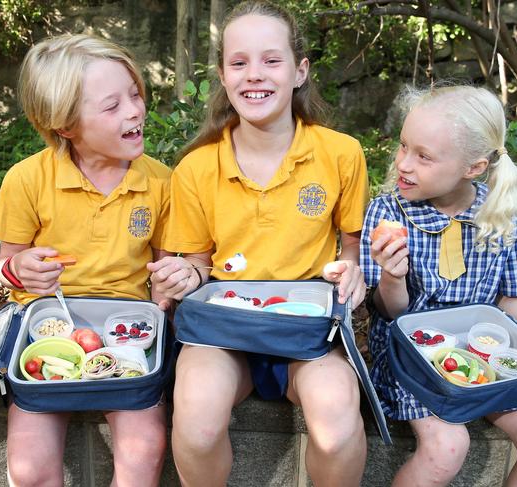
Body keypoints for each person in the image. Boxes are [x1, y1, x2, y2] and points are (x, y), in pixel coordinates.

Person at [147, 1, 369, 485]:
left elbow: (351, 249)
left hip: (306, 334)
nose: (254, 75)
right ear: (223, 76)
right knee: (199, 426)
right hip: (222, 332)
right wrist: (185, 273)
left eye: (271, 60)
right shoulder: (196, 168)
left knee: (336, 428)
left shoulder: (341, 154)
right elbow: (198, 263)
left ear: (299, 71)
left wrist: (353, 272)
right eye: (238, 62)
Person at [360, 84, 517, 487]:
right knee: (447, 448)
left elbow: (511, 302)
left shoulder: (502, 216)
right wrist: (392, 276)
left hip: (486, 348)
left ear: (474, 167)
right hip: (414, 358)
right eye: (403, 146)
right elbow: (392, 313)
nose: (404, 165)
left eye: (423, 156)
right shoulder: (388, 212)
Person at [0, 34, 171, 487]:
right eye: (111, 106)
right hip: (46, 329)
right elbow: (7, 266)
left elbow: (167, 272)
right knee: (29, 469)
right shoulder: (27, 180)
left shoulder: (163, 183)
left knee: (144, 450)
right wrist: (20, 267)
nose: (133, 110)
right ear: (65, 126)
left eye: (135, 94)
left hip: (128, 333)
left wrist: (174, 280)